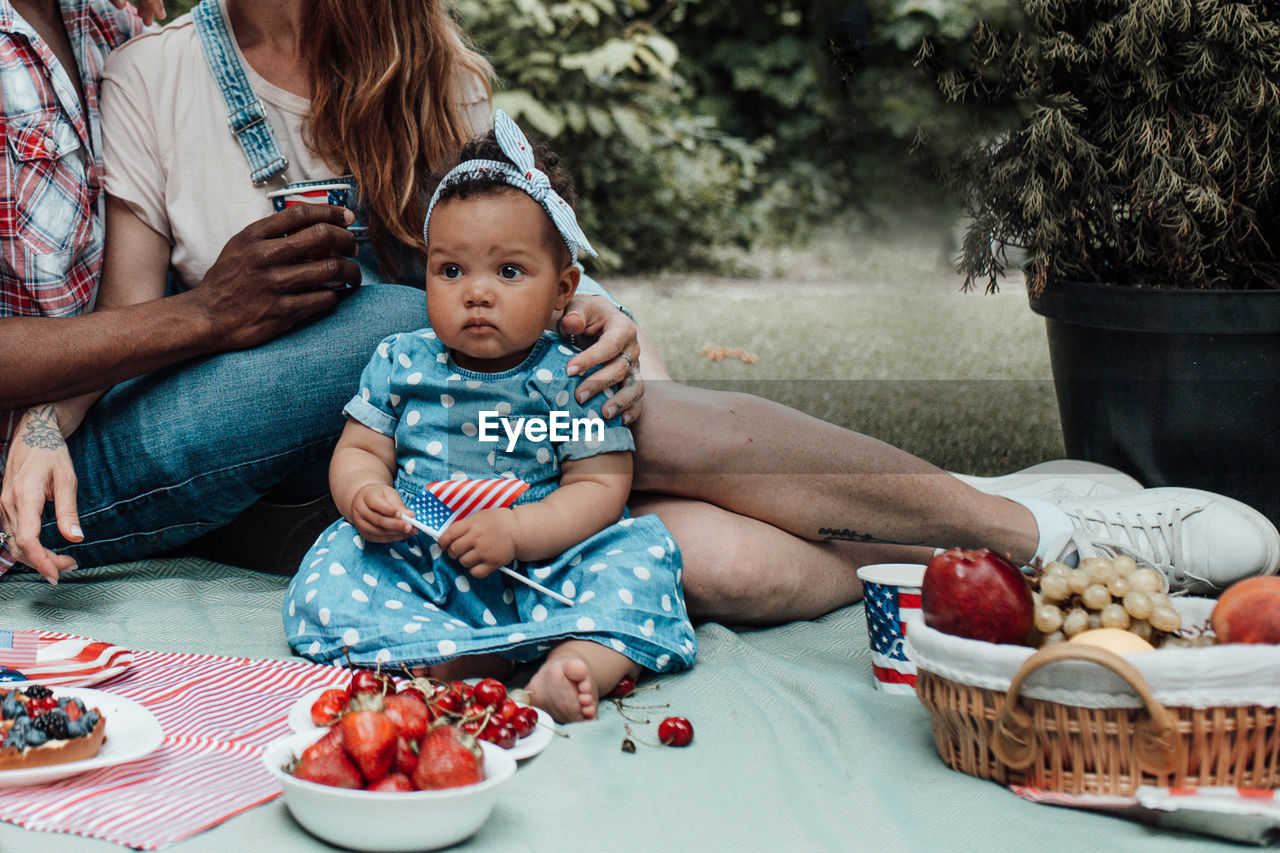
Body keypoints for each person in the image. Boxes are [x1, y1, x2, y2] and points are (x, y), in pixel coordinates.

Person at [5, 0, 1278, 625]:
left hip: (453, 456)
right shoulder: (153, 69)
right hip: (291, 457)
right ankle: (1028, 521)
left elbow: (543, 265)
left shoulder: (427, 65)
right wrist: (50, 429)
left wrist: (604, 317)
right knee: (386, 329)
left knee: (693, 545)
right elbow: (130, 330)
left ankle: (1032, 556)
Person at [284, 116, 696, 722]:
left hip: (545, 555)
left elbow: (601, 486)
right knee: (330, 577)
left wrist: (519, 533)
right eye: (451, 271)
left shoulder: (571, 374)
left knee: (638, 568)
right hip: (422, 549)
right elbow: (361, 450)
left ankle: (578, 662)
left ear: (564, 290)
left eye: (508, 272)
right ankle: (447, 654)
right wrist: (363, 493)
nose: (476, 293)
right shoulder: (401, 361)